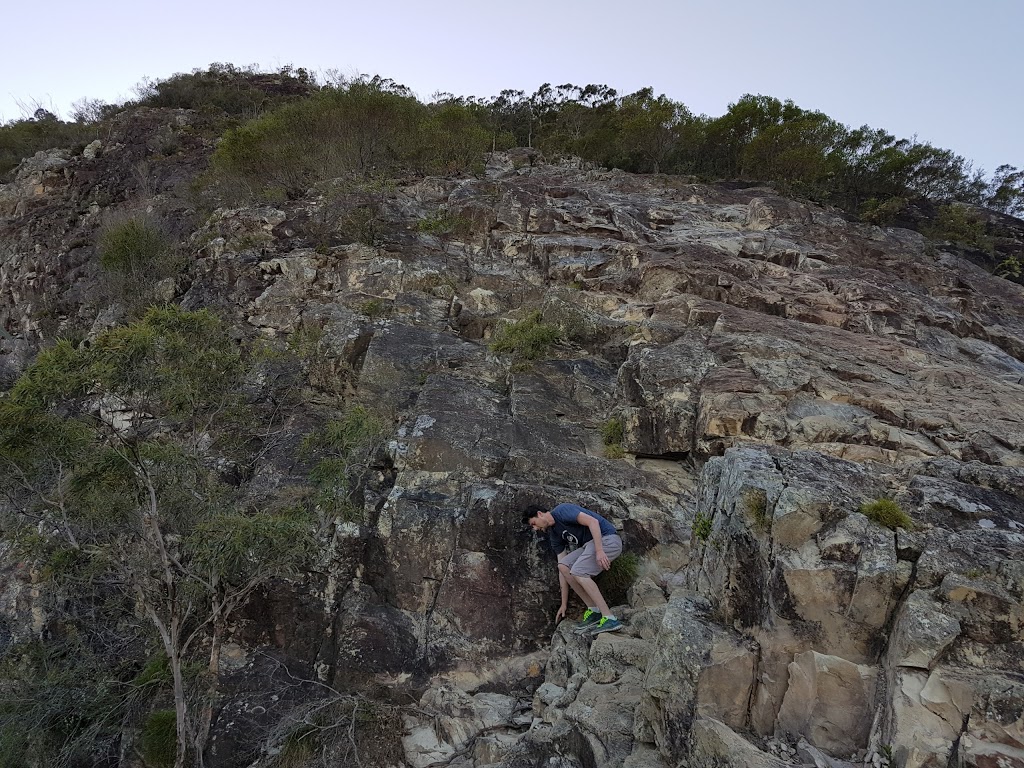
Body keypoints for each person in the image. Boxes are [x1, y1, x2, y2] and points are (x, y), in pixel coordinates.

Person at [523, 502, 624, 634]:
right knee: (564, 566)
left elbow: (593, 522)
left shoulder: (562, 511)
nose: (535, 528)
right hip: (589, 545)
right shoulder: (554, 534)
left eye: (533, 523)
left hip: (607, 539)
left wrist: (599, 551)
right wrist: (563, 603)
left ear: (540, 514)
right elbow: (562, 570)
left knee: (579, 571)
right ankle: (594, 611)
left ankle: (609, 618)